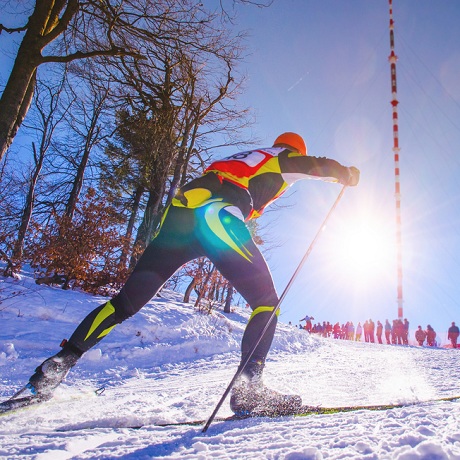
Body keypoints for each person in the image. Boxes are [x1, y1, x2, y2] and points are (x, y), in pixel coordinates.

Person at [21, 132, 359, 415]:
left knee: (125, 302)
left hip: (180, 215)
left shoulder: (244, 157)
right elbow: (311, 166)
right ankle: (249, 391)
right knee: (267, 303)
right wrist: (344, 172)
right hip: (216, 215)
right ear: (292, 148)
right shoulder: (279, 156)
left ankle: (56, 367)